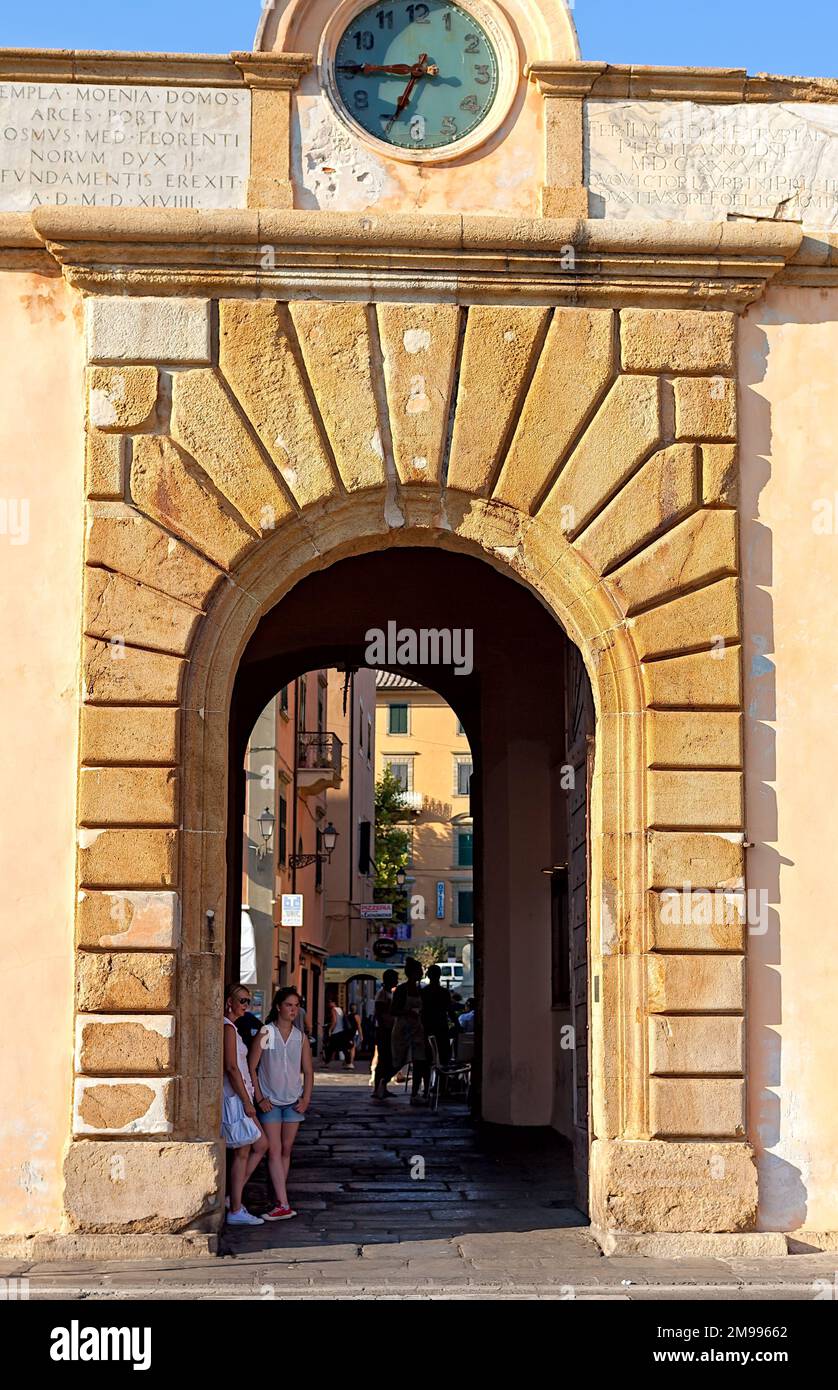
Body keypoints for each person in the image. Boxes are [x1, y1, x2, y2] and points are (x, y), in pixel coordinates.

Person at [249, 987, 313, 1222]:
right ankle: (283, 1203)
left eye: (296, 1006)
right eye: (289, 1005)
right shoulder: (267, 1032)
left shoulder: (300, 1037)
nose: (293, 1010)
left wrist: (306, 1098)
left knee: (286, 1151)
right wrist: (259, 1098)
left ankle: (278, 1198)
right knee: (274, 1150)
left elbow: (308, 1070)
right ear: (278, 1006)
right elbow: (252, 1067)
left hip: (293, 1102)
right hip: (271, 1102)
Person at [223, 983, 269, 1226]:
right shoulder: (228, 1028)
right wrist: (246, 1101)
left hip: (241, 1095)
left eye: (248, 1001)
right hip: (236, 1097)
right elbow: (231, 1068)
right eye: (242, 1001)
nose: (246, 1006)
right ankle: (236, 1208)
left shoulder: (234, 1028)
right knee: (245, 1150)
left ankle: (234, 1199)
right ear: (229, 1002)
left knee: (260, 1144)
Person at [391, 958, 429, 1106]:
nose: (421, 973)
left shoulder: (421, 990)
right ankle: (381, 1082)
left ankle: (415, 1093)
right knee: (398, 1061)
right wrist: (407, 1011)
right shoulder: (401, 990)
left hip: (417, 1029)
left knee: (420, 1061)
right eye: (419, 970)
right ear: (412, 973)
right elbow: (393, 1010)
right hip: (403, 1029)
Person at [421, 964, 458, 1066]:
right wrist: (457, 1024)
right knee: (444, 1057)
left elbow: (421, 1010)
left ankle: (428, 1079)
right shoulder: (443, 992)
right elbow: (450, 1010)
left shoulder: (424, 992)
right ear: (440, 975)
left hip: (427, 1026)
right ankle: (442, 1079)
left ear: (428, 976)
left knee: (427, 1058)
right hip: (441, 1026)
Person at [371, 968, 399, 1101]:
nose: (397, 981)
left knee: (388, 1059)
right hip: (385, 1031)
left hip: (390, 1030)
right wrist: (384, 1027)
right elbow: (379, 1014)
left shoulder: (389, 993)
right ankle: (377, 1088)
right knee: (384, 1059)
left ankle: (383, 1086)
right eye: (396, 978)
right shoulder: (382, 994)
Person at [323, 997, 349, 1065]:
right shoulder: (340, 1009)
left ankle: (326, 1062)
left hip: (336, 1031)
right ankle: (348, 1061)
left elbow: (334, 1021)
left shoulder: (333, 1010)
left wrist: (330, 1029)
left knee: (330, 1047)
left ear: (333, 1003)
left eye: (329, 1002)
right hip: (342, 1031)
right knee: (343, 1047)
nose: (328, 1004)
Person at [343, 1000, 361, 1070]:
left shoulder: (348, 1016)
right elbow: (359, 1027)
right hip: (354, 1034)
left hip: (348, 1033)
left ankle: (347, 1061)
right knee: (352, 1048)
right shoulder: (357, 1016)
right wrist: (361, 1036)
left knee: (348, 1048)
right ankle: (351, 1062)